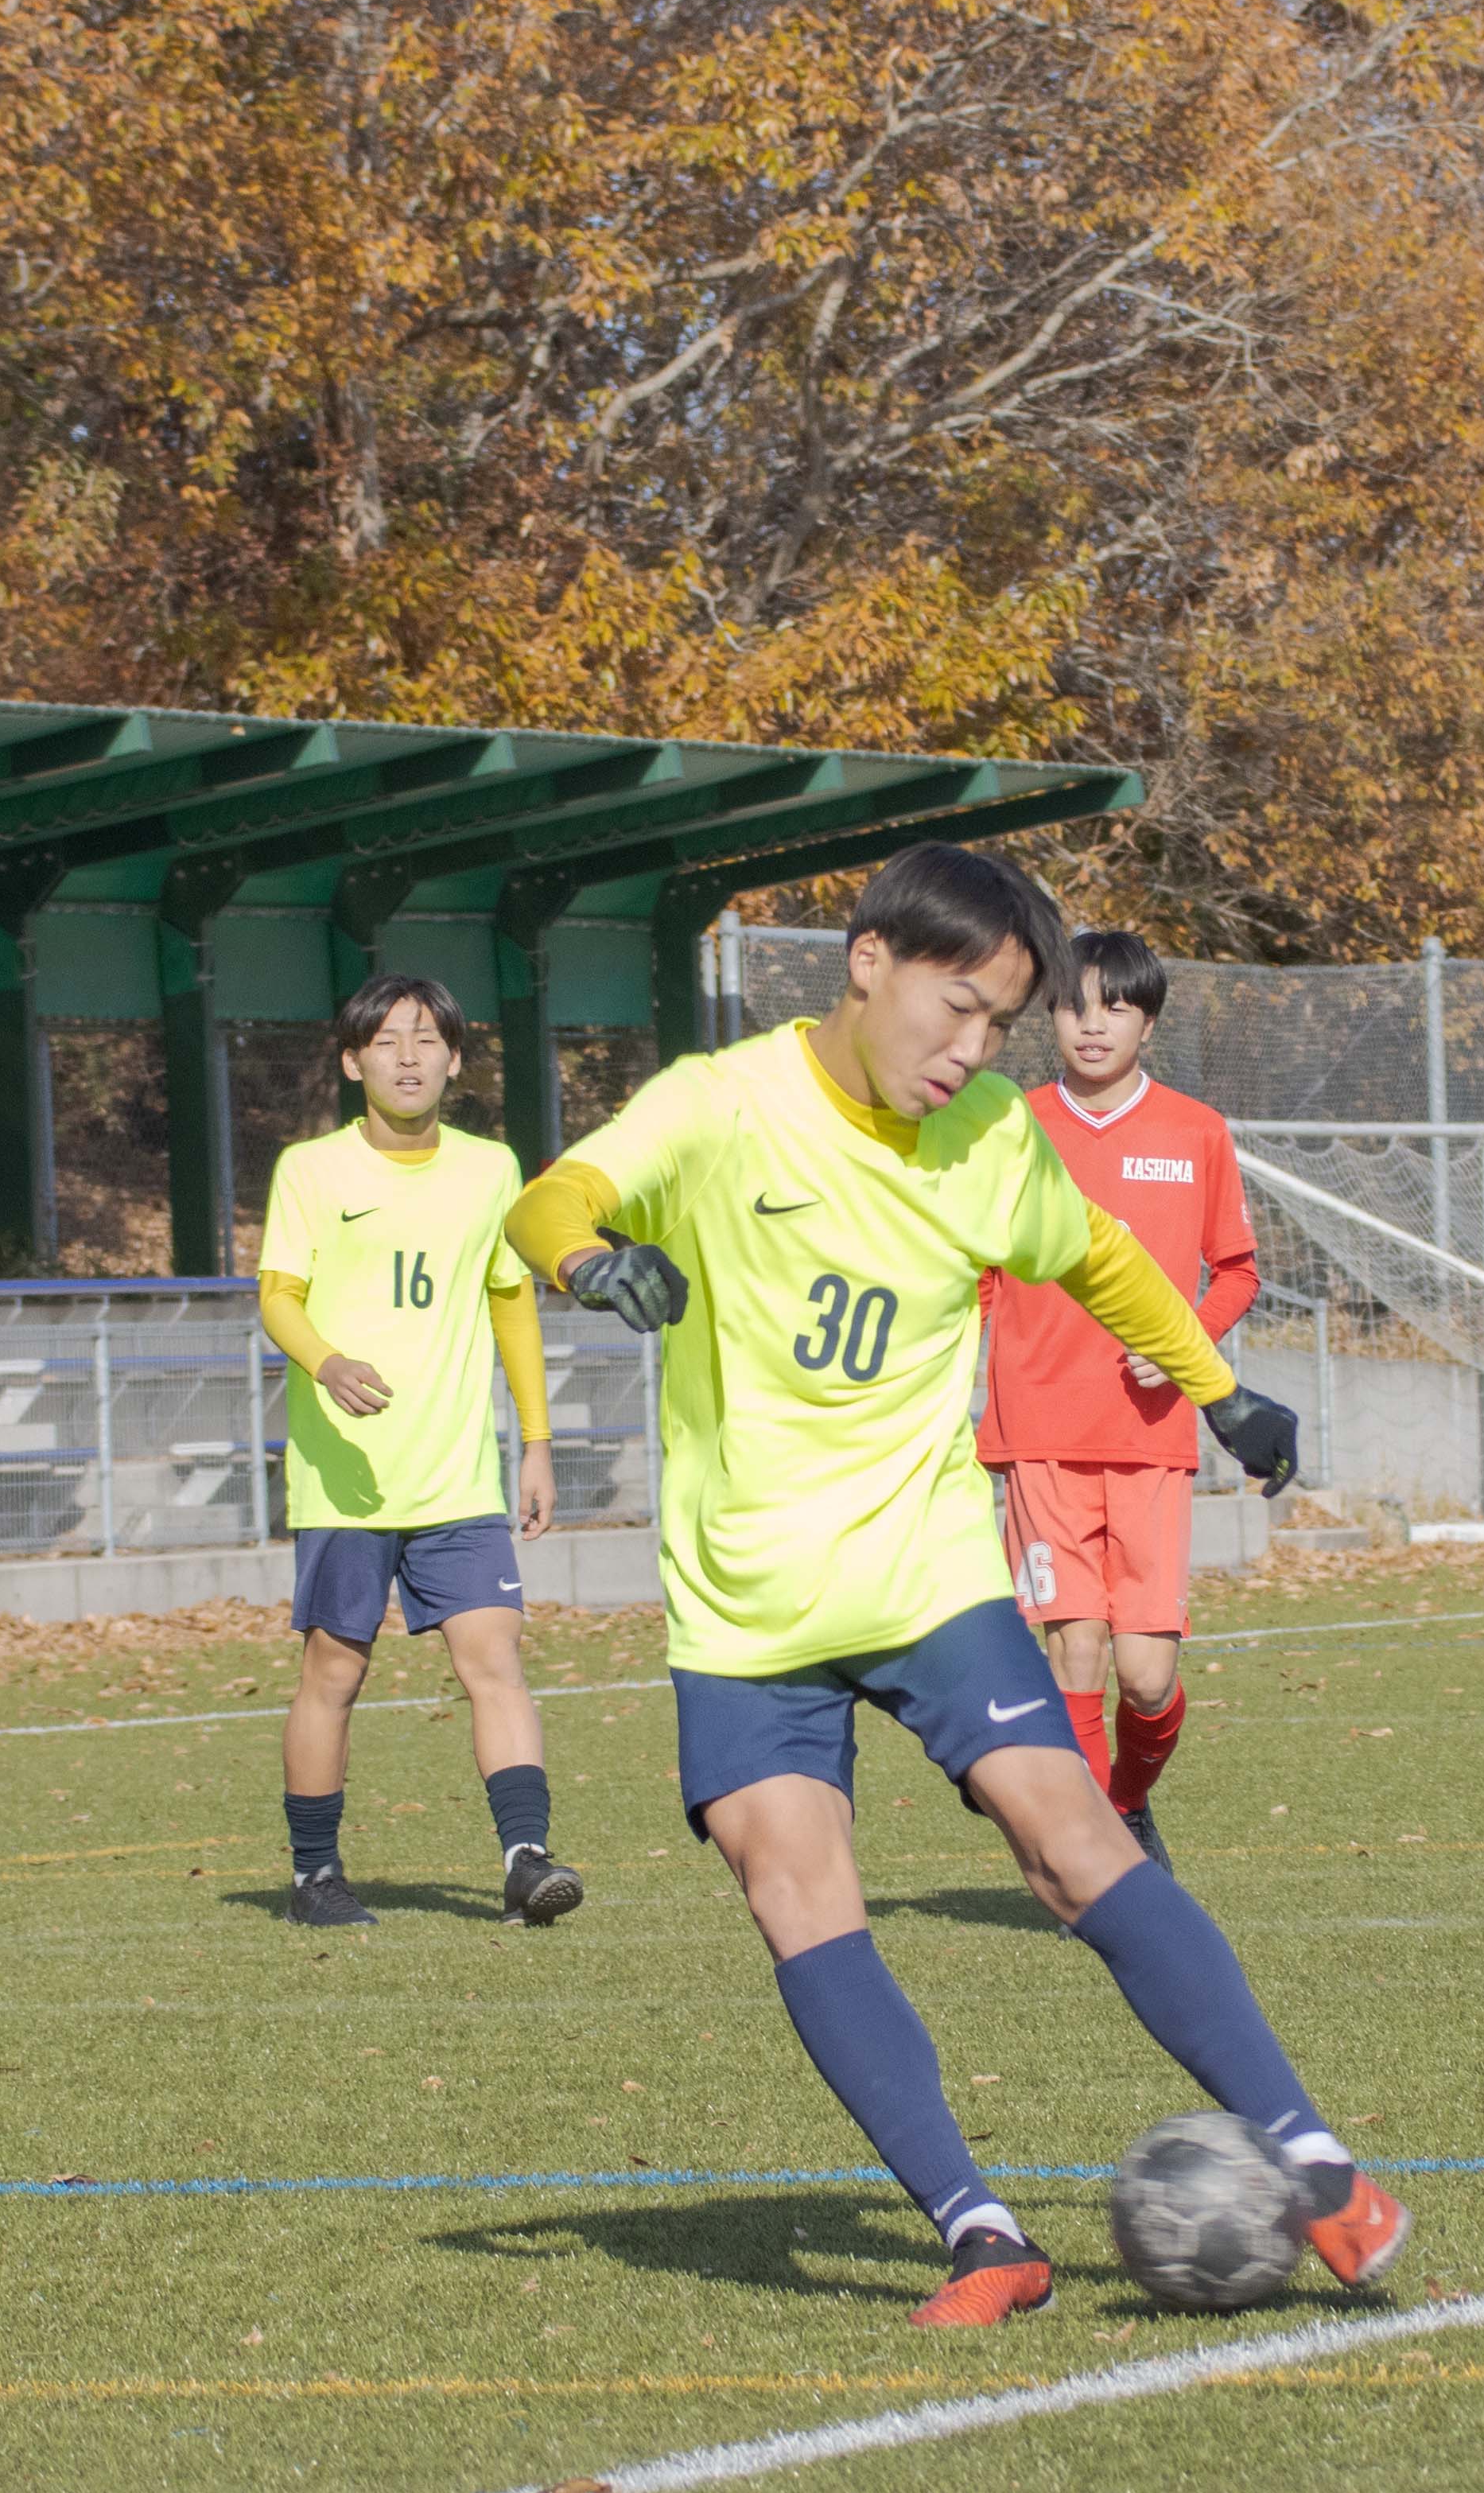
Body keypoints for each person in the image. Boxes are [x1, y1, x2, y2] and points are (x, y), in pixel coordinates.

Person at [506, 840, 1397, 2329]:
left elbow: (1101, 1260)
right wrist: (593, 1264)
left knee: (1068, 1835)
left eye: (1003, 1024)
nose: (979, 1050)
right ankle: (982, 2236)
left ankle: (1315, 2160)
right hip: (747, 1607)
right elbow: (547, 1202)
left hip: (926, 1572)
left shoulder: (990, 1136)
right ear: (870, 961)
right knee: (793, 1888)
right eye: (961, 1009)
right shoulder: (724, 1107)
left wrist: (1220, 1392)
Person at [254, 971, 572, 1929]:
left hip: (457, 1476)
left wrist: (538, 1440)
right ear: (353, 1061)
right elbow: (277, 1294)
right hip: (346, 1477)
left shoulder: (491, 1169)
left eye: (427, 1039)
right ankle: (315, 1874)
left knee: (495, 1658)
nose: (407, 1055)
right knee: (335, 1673)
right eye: (387, 1040)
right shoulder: (311, 1170)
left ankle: (526, 1858)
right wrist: (326, 1360)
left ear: (456, 1060)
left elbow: (510, 1300)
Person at [976, 928, 1258, 1864]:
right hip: (1039, 1433)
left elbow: (1236, 1274)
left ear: (1147, 1018)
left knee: (1145, 1675)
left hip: (1152, 1440)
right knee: (1076, 1654)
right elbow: (972, 1272)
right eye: (1072, 1005)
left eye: (1115, 1006)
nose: (1092, 1026)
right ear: (1047, 1016)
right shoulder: (1004, 1125)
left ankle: (1129, 1801)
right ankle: (1096, 1861)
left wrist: (1184, 1343)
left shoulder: (1195, 1131)